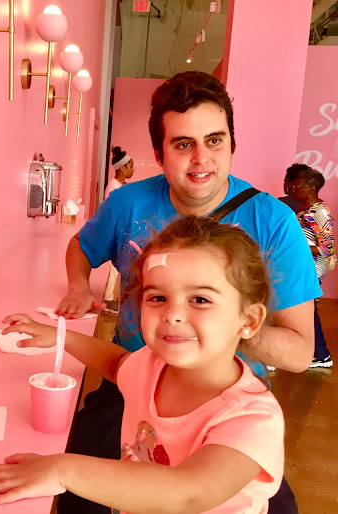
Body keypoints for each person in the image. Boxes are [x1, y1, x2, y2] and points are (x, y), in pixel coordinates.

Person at [54, 71, 318, 513]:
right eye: (182, 144)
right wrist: (79, 285)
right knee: (77, 496)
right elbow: (80, 247)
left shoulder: (273, 223)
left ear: (232, 144)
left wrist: (211, 329)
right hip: (133, 386)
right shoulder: (127, 205)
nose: (201, 160)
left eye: (215, 141)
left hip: (219, 400)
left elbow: (298, 353)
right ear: (158, 154)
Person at [0, 217, 284, 513]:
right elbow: (117, 363)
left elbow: (191, 492)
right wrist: (61, 336)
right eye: (157, 297)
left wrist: (63, 468)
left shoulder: (252, 419)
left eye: (200, 299)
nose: (172, 315)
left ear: (249, 320)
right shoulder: (151, 366)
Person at [291, 168, 335, 368]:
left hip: (313, 267)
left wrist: (295, 245)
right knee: (306, 309)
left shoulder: (319, 212)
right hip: (304, 266)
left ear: (311, 188)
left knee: (309, 309)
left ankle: (321, 354)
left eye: (298, 186)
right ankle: (317, 352)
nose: (294, 189)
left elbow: (326, 248)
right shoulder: (305, 209)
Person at [103, 147, 136, 312]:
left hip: (123, 232)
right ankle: (109, 299)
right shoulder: (113, 188)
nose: (133, 170)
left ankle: (115, 296)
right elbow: (112, 214)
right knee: (116, 268)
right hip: (116, 233)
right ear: (122, 168)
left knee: (121, 266)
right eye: (131, 166)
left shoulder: (122, 186)